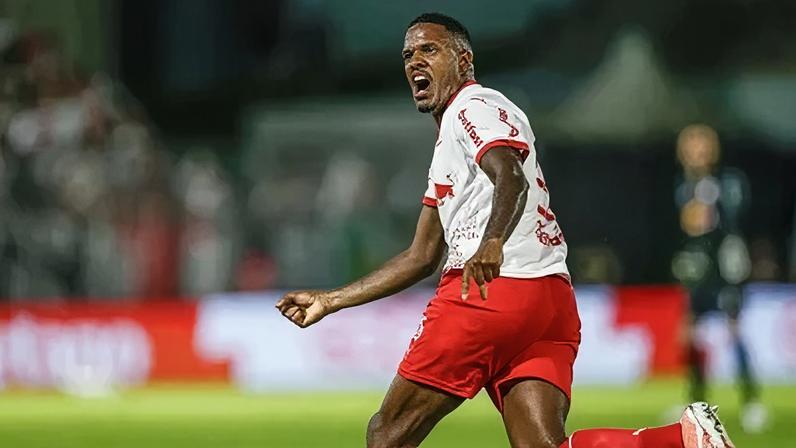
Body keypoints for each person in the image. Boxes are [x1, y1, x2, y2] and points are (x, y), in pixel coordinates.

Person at [277, 13, 734, 448]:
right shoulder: (449, 147)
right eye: (407, 55)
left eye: (429, 50)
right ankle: (683, 438)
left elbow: (508, 173)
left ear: (463, 61)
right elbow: (420, 255)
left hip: (488, 293)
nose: (414, 60)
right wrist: (330, 300)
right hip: (549, 301)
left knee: (386, 434)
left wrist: (493, 240)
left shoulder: (472, 106)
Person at [672, 124, 767, 433]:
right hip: (699, 268)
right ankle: (696, 403)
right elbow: (689, 226)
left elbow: (730, 218)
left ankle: (752, 401)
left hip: (726, 267)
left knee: (734, 331)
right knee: (691, 334)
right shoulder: (683, 184)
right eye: (689, 146)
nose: (694, 152)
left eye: (700, 145)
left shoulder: (728, 180)